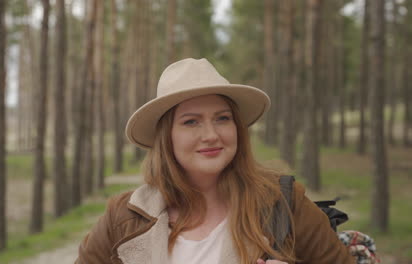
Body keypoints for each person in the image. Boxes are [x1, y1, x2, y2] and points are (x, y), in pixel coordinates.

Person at [75, 58, 355, 264]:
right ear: (166, 137)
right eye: (191, 122)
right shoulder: (123, 217)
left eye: (222, 118)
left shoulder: (283, 203)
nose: (211, 135)